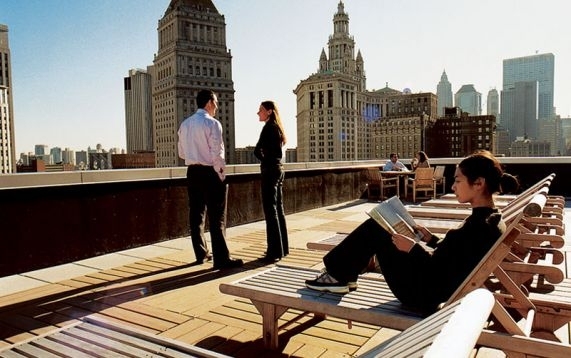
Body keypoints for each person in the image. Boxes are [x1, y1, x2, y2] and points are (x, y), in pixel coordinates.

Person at [306, 150, 519, 313]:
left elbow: (440, 268)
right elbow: (456, 258)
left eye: (457, 180)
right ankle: (343, 274)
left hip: (421, 294)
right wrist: (431, 239)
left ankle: (337, 275)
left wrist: (413, 248)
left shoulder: (479, 225)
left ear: (479, 183)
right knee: (381, 227)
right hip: (431, 286)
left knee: (376, 227)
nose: (453, 186)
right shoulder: (490, 219)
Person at [177, 89, 243, 270]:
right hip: (209, 173)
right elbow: (217, 154)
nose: (217, 106)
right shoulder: (212, 123)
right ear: (209, 103)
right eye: (216, 102)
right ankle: (221, 259)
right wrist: (221, 175)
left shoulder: (185, 124)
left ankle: (201, 254)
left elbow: (181, 153)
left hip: (192, 173)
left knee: (196, 215)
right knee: (217, 217)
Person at [254, 100, 289, 262]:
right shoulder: (277, 128)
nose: (258, 113)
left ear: (269, 111)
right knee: (278, 209)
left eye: (260, 110)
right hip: (279, 169)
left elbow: (257, 150)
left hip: (270, 170)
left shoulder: (268, 128)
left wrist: (264, 160)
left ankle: (273, 252)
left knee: (271, 211)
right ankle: (282, 249)